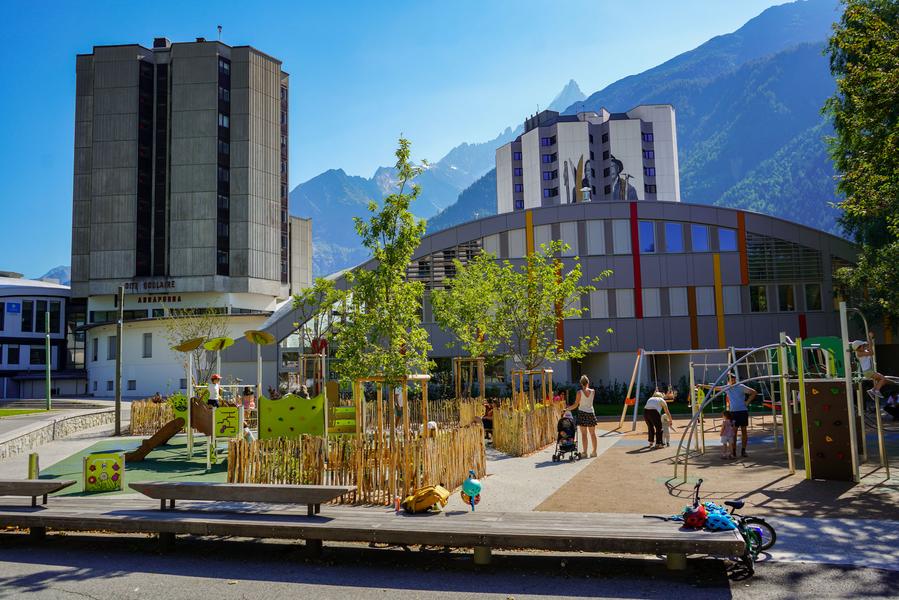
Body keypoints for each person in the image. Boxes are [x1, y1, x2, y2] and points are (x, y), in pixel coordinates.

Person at [708, 373, 757, 458]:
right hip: (733, 412)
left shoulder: (741, 386)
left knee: (744, 431)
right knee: (733, 433)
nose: (733, 381)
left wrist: (747, 402)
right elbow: (715, 388)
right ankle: (733, 451)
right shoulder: (727, 387)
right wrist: (702, 385)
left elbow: (753, 392)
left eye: (734, 379)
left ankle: (743, 450)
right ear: (728, 381)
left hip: (742, 411)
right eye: (731, 379)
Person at [852, 332, 886, 400]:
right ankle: (875, 390)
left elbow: (871, 346)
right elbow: (871, 353)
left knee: (882, 380)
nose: (864, 346)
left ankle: (873, 390)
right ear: (858, 347)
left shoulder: (863, 351)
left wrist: (870, 339)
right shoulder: (859, 353)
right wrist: (870, 338)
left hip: (869, 370)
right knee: (883, 378)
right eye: (862, 346)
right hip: (868, 371)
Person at [575, 375, 598, 458]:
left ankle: (584, 452)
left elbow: (575, 405)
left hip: (582, 414)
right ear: (588, 382)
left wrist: (567, 409)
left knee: (584, 434)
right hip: (591, 413)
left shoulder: (579, 392)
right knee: (592, 434)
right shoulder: (593, 391)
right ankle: (594, 452)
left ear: (581, 383)